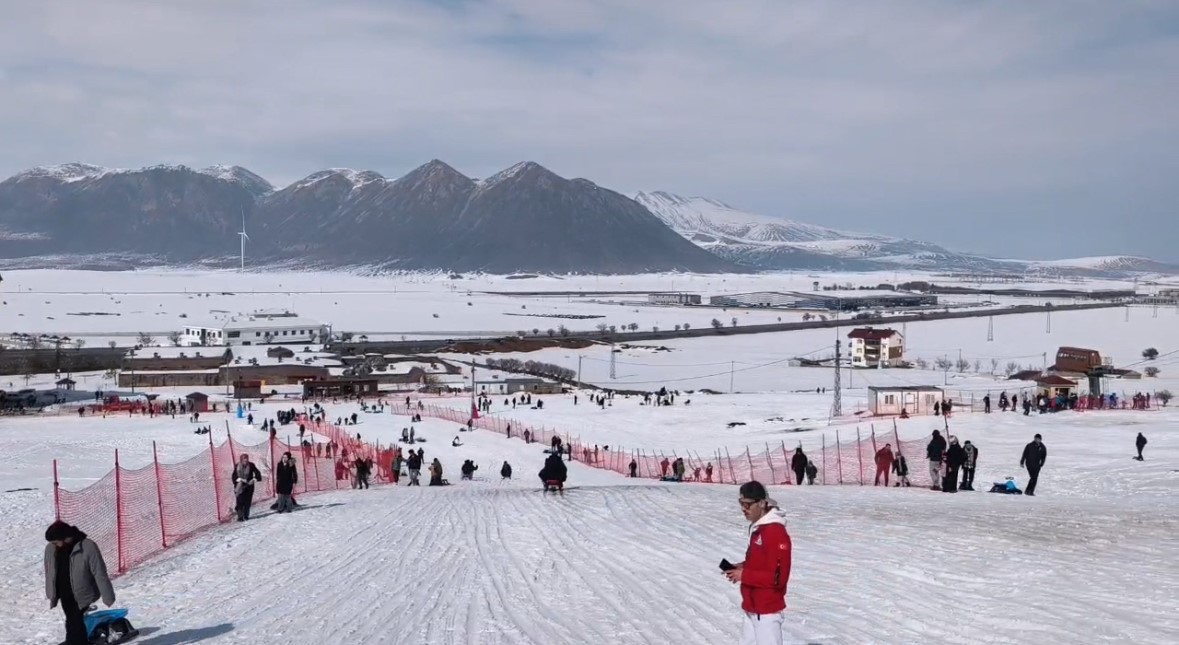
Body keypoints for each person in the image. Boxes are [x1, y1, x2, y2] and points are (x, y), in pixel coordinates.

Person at [725, 481, 791, 645]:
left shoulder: (775, 532)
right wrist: (741, 567)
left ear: (761, 503)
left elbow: (778, 578)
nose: (743, 509)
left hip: (766, 611)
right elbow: (761, 563)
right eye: (741, 503)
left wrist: (744, 575)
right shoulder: (758, 528)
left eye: (747, 504)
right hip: (752, 607)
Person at [44, 521, 115, 645]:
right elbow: (49, 570)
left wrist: (107, 595)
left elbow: (99, 572)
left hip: (82, 593)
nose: (53, 545)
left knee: (75, 621)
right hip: (64, 592)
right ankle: (75, 641)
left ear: (65, 538)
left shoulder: (87, 546)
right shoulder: (51, 548)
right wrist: (51, 592)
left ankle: (75, 642)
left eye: (55, 542)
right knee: (71, 620)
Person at [232, 454, 263, 521]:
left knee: (247, 502)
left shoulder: (251, 465)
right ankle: (240, 516)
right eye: (244, 459)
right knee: (239, 501)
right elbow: (234, 476)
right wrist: (239, 479)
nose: (245, 460)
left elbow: (257, 473)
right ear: (241, 460)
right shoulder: (237, 466)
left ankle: (246, 515)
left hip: (249, 486)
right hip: (239, 486)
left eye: (246, 459)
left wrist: (254, 479)